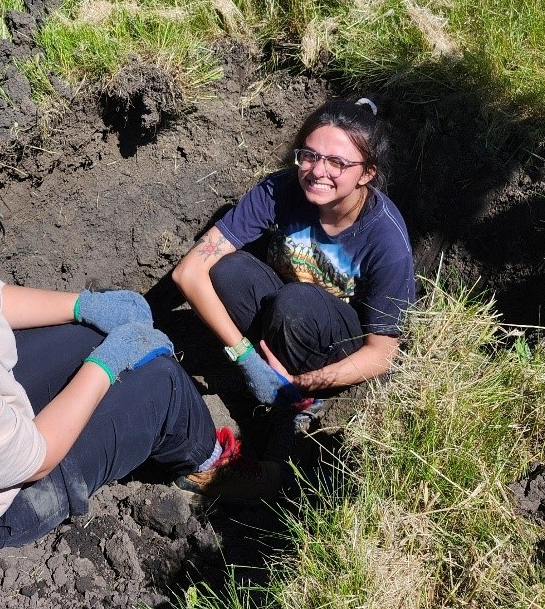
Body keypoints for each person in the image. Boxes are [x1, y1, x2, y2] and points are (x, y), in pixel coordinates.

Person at [0, 152, 262, 556]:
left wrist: (85, 305)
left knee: (93, 332)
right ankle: (211, 466)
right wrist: (107, 363)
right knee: (160, 385)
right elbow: (37, 459)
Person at [172, 97, 415, 410]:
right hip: (279, 323)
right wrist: (246, 358)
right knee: (227, 270)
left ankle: (307, 403)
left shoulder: (386, 241)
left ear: (367, 173)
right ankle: (263, 370)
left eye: (337, 163)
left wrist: (302, 384)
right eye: (310, 155)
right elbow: (187, 272)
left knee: (296, 302)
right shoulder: (281, 190)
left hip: (332, 344)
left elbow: (382, 353)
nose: (317, 171)